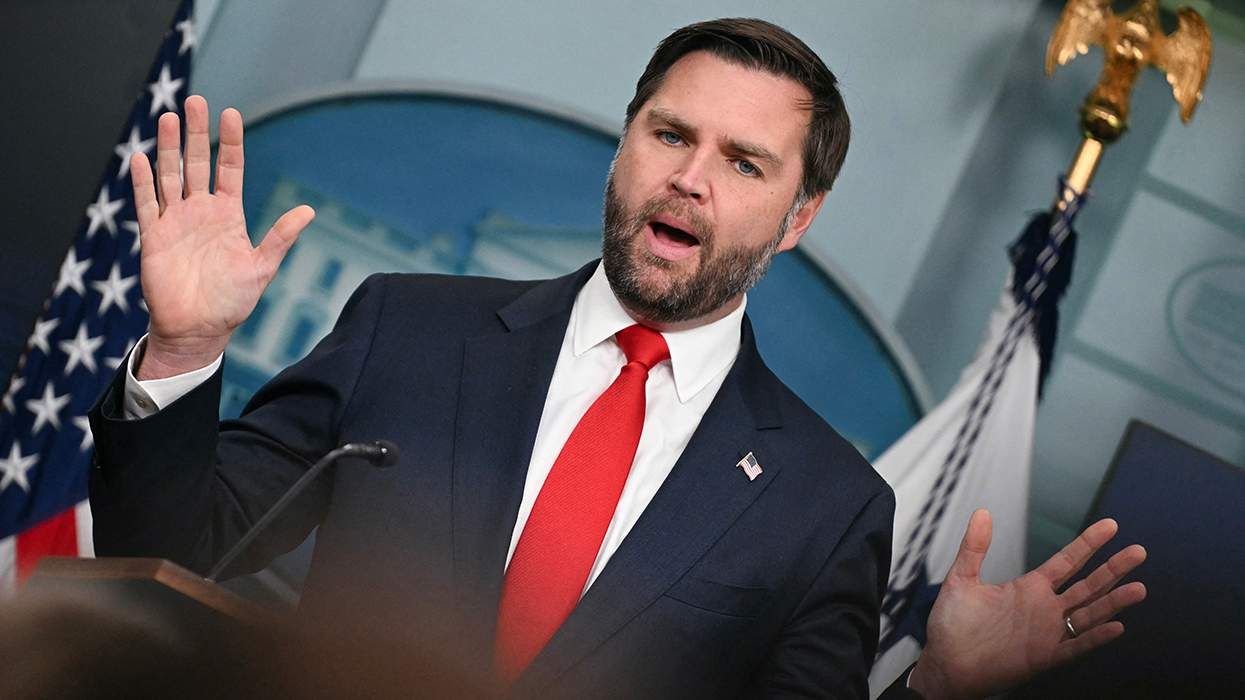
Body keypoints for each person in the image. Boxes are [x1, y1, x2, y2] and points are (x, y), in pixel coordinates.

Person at [88, 18, 1146, 698]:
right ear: (625, 142)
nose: (690, 179)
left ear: (798, 218)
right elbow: (169, 545)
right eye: (669, 134)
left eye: (743, 161)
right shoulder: (407, 327)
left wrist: (936, 691)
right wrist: (186, 348)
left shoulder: (829, 510)